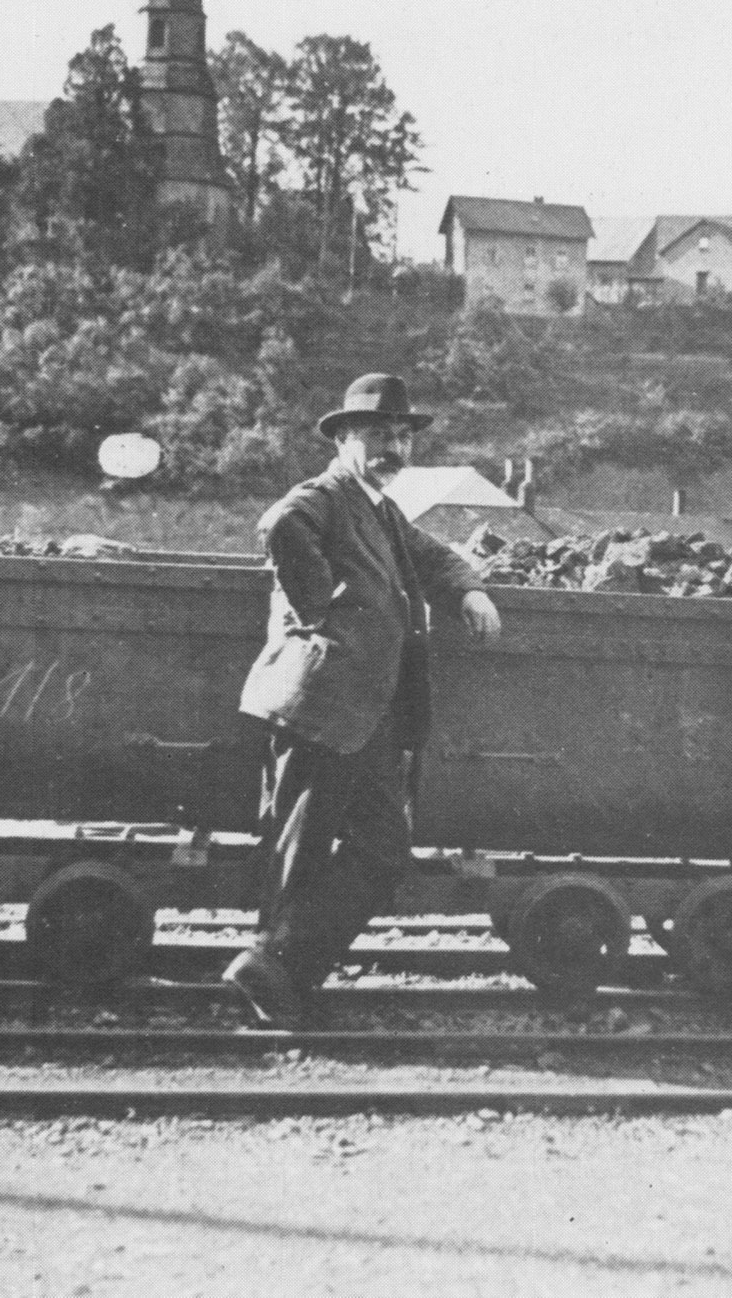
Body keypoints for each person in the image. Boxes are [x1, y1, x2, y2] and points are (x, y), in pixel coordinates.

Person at [228, 372, 501, 1026]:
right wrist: (316, 603)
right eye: (380, 434)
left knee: (382, 847)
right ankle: (272, 973)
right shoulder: (325, 494)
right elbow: (280, 526)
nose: (395, 448)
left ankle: (282, 970)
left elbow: (432, 556)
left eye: (403, 436)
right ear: (346, 436)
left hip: (363, 712)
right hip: (323, 703)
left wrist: (469, 589)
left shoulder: (377, 507)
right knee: (301, 848)